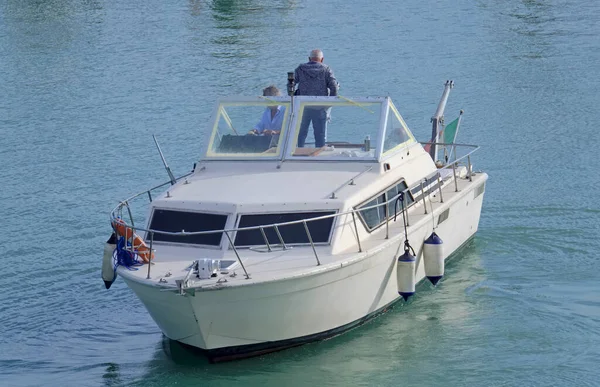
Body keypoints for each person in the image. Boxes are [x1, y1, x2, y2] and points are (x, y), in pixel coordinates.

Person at [294, 49, 339, 148]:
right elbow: (334, 87)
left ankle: (296, 154)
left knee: (300, 134)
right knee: (320, 136)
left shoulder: (300, 69)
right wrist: (329, 103)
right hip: (320, 108)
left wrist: (294, 97)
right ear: (322, 59)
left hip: (303, 107)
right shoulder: (326, 69)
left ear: (309, 59)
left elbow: (291, 84)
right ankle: (319, 156)